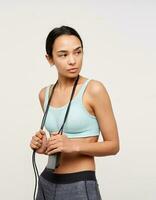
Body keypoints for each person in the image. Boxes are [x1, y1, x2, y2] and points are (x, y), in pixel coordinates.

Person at [29, 25, 120, 200]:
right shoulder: (44, 94)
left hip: (79, 184)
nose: (73, 60)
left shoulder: (94, 89)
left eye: (78, 52)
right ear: (50, 59)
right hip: (46, 181)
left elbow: (113, 145)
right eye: (63, 55)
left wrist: (73, 145)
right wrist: (44, 147)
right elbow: (59, 144)